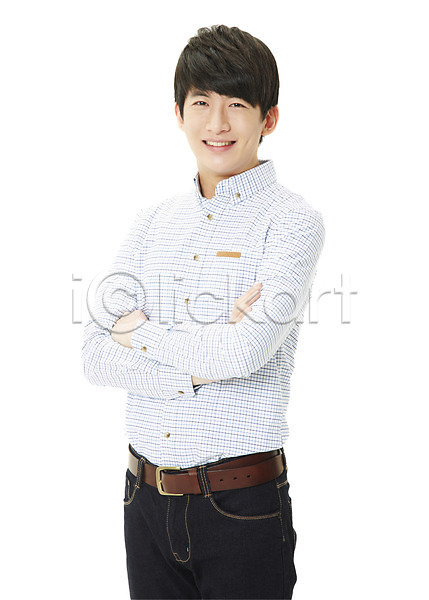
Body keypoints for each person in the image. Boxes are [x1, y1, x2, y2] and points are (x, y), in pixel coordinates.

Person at [82, 24, 325, 600]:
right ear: (178, 113)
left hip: (240, 506)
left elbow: (243, 353)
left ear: (268, 118)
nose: (217, 123)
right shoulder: (152, 222)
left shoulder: (292, 223)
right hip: (143, 500)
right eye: (201, 103)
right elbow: (93, 356)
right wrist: (202, 357)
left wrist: (137, 329)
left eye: (236, 104)